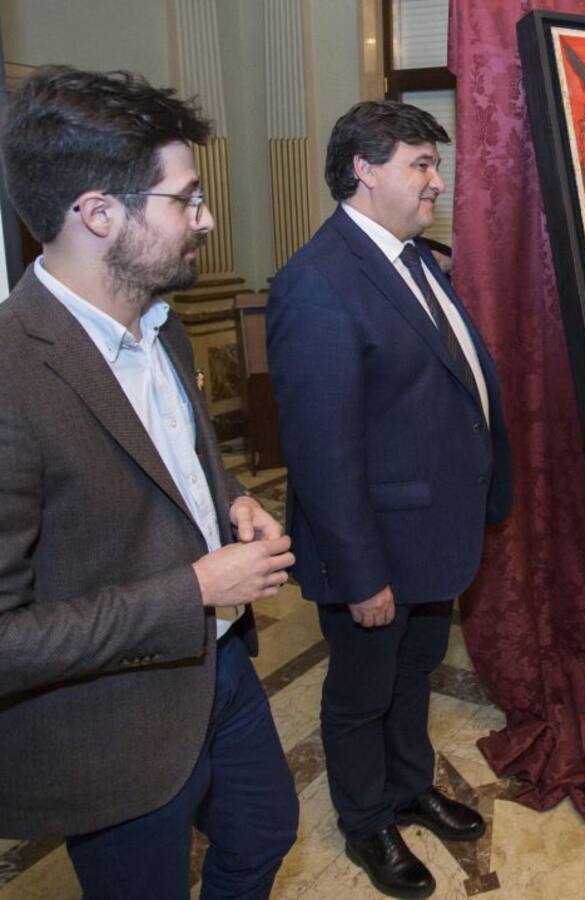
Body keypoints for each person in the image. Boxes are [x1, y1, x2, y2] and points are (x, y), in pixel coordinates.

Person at [0, 67, 298, 898]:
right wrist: (194, 589)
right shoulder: (12, 378)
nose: (206, 219)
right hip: (112, 725)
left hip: (221, 667)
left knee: (265, 832)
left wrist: (232, 498)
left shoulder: (160, 326)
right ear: (99, 213)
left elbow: (176, 463)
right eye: (185, 199)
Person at [267, 100, 512, 899]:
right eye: (421, 165)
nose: (437, 181)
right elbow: (321, 454)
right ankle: (367, 817)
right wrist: (361, 573)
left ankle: (408, 787)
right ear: (364, 171)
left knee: (413, 673)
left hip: (431, 533)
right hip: (373, 547)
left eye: (435, 164)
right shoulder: (317, 283)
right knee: (361, 693)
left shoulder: (413, 258)